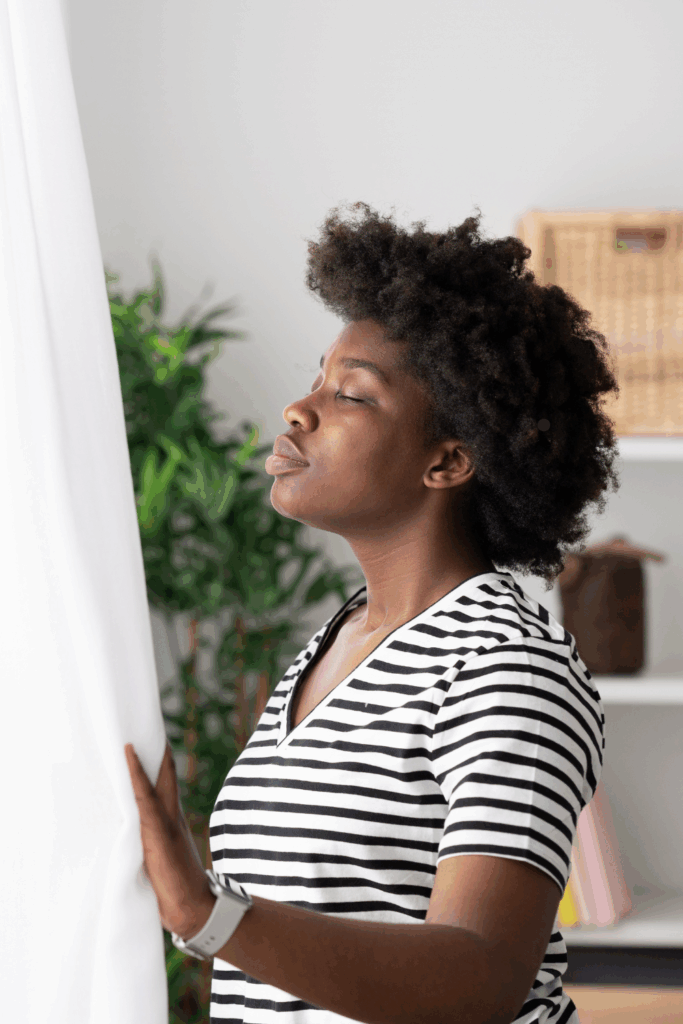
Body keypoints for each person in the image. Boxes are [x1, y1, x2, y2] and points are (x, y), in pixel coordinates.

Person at [126, 202, 619, 1024]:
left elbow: (481, 976)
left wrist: (203, 913)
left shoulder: (506, 670)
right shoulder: (339, 640)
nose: (298, 409)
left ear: (449, 459)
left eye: (351, 395)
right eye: (318, 376)